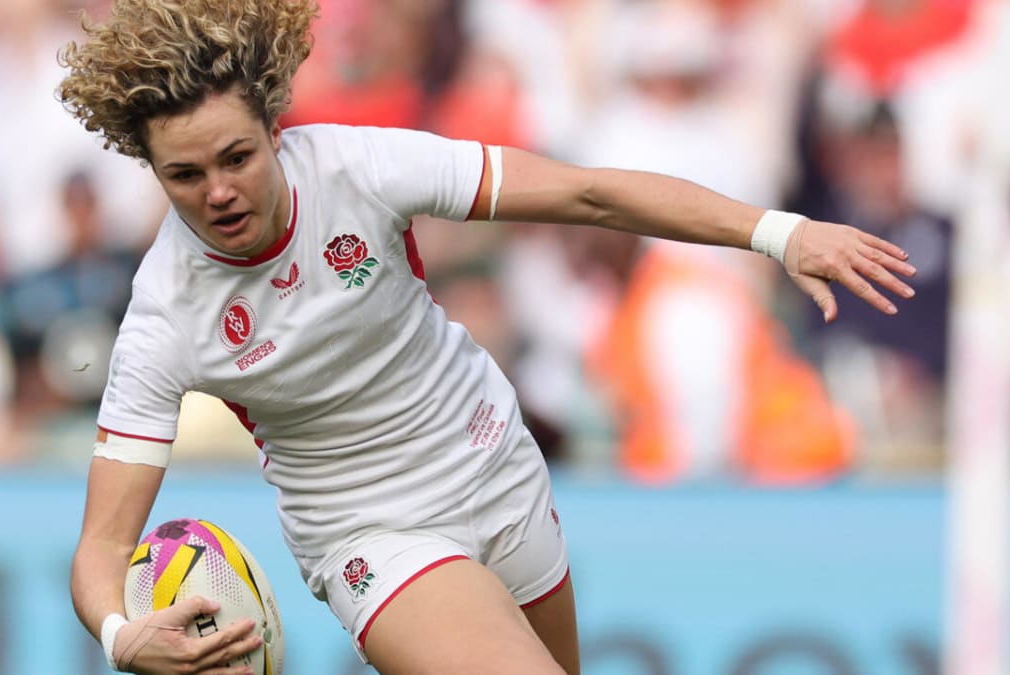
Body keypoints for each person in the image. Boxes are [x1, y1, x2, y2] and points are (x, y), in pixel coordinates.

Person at [56, 1, 917, 673]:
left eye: (236, 157)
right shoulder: (165, 314)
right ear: (154, 172)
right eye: (185, 174)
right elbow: (100, 547)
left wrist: (777, 232)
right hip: (370, 533)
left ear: (278, 130)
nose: (218, 192)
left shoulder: (361, 167)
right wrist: (122, 633)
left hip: (495, 462)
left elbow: (587, 196)